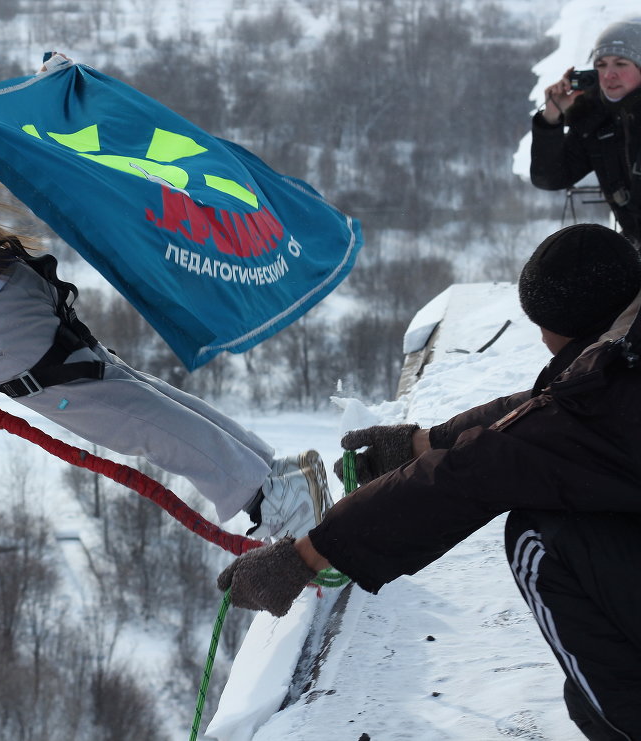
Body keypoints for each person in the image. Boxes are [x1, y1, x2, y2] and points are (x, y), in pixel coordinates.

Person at [0, 22, 329, 538]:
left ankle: (271, 497)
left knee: (125, 414)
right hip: (3, 297)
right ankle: (274, 476)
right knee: (126, 392)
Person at [216, 223, 641, 739]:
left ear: (576, 324)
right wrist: (422, 442)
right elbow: (537, 413)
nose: (541, 339)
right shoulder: (625, 357)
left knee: (540, 539)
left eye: (543, 324)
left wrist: (304, 555)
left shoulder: (609, 397)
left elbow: (478, 471)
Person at [531, 18, 641, 246]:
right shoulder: (595, 119)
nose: (609, 75)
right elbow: (550, 177)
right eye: (601, 64)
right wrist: (551, 117)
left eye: (621, 64)